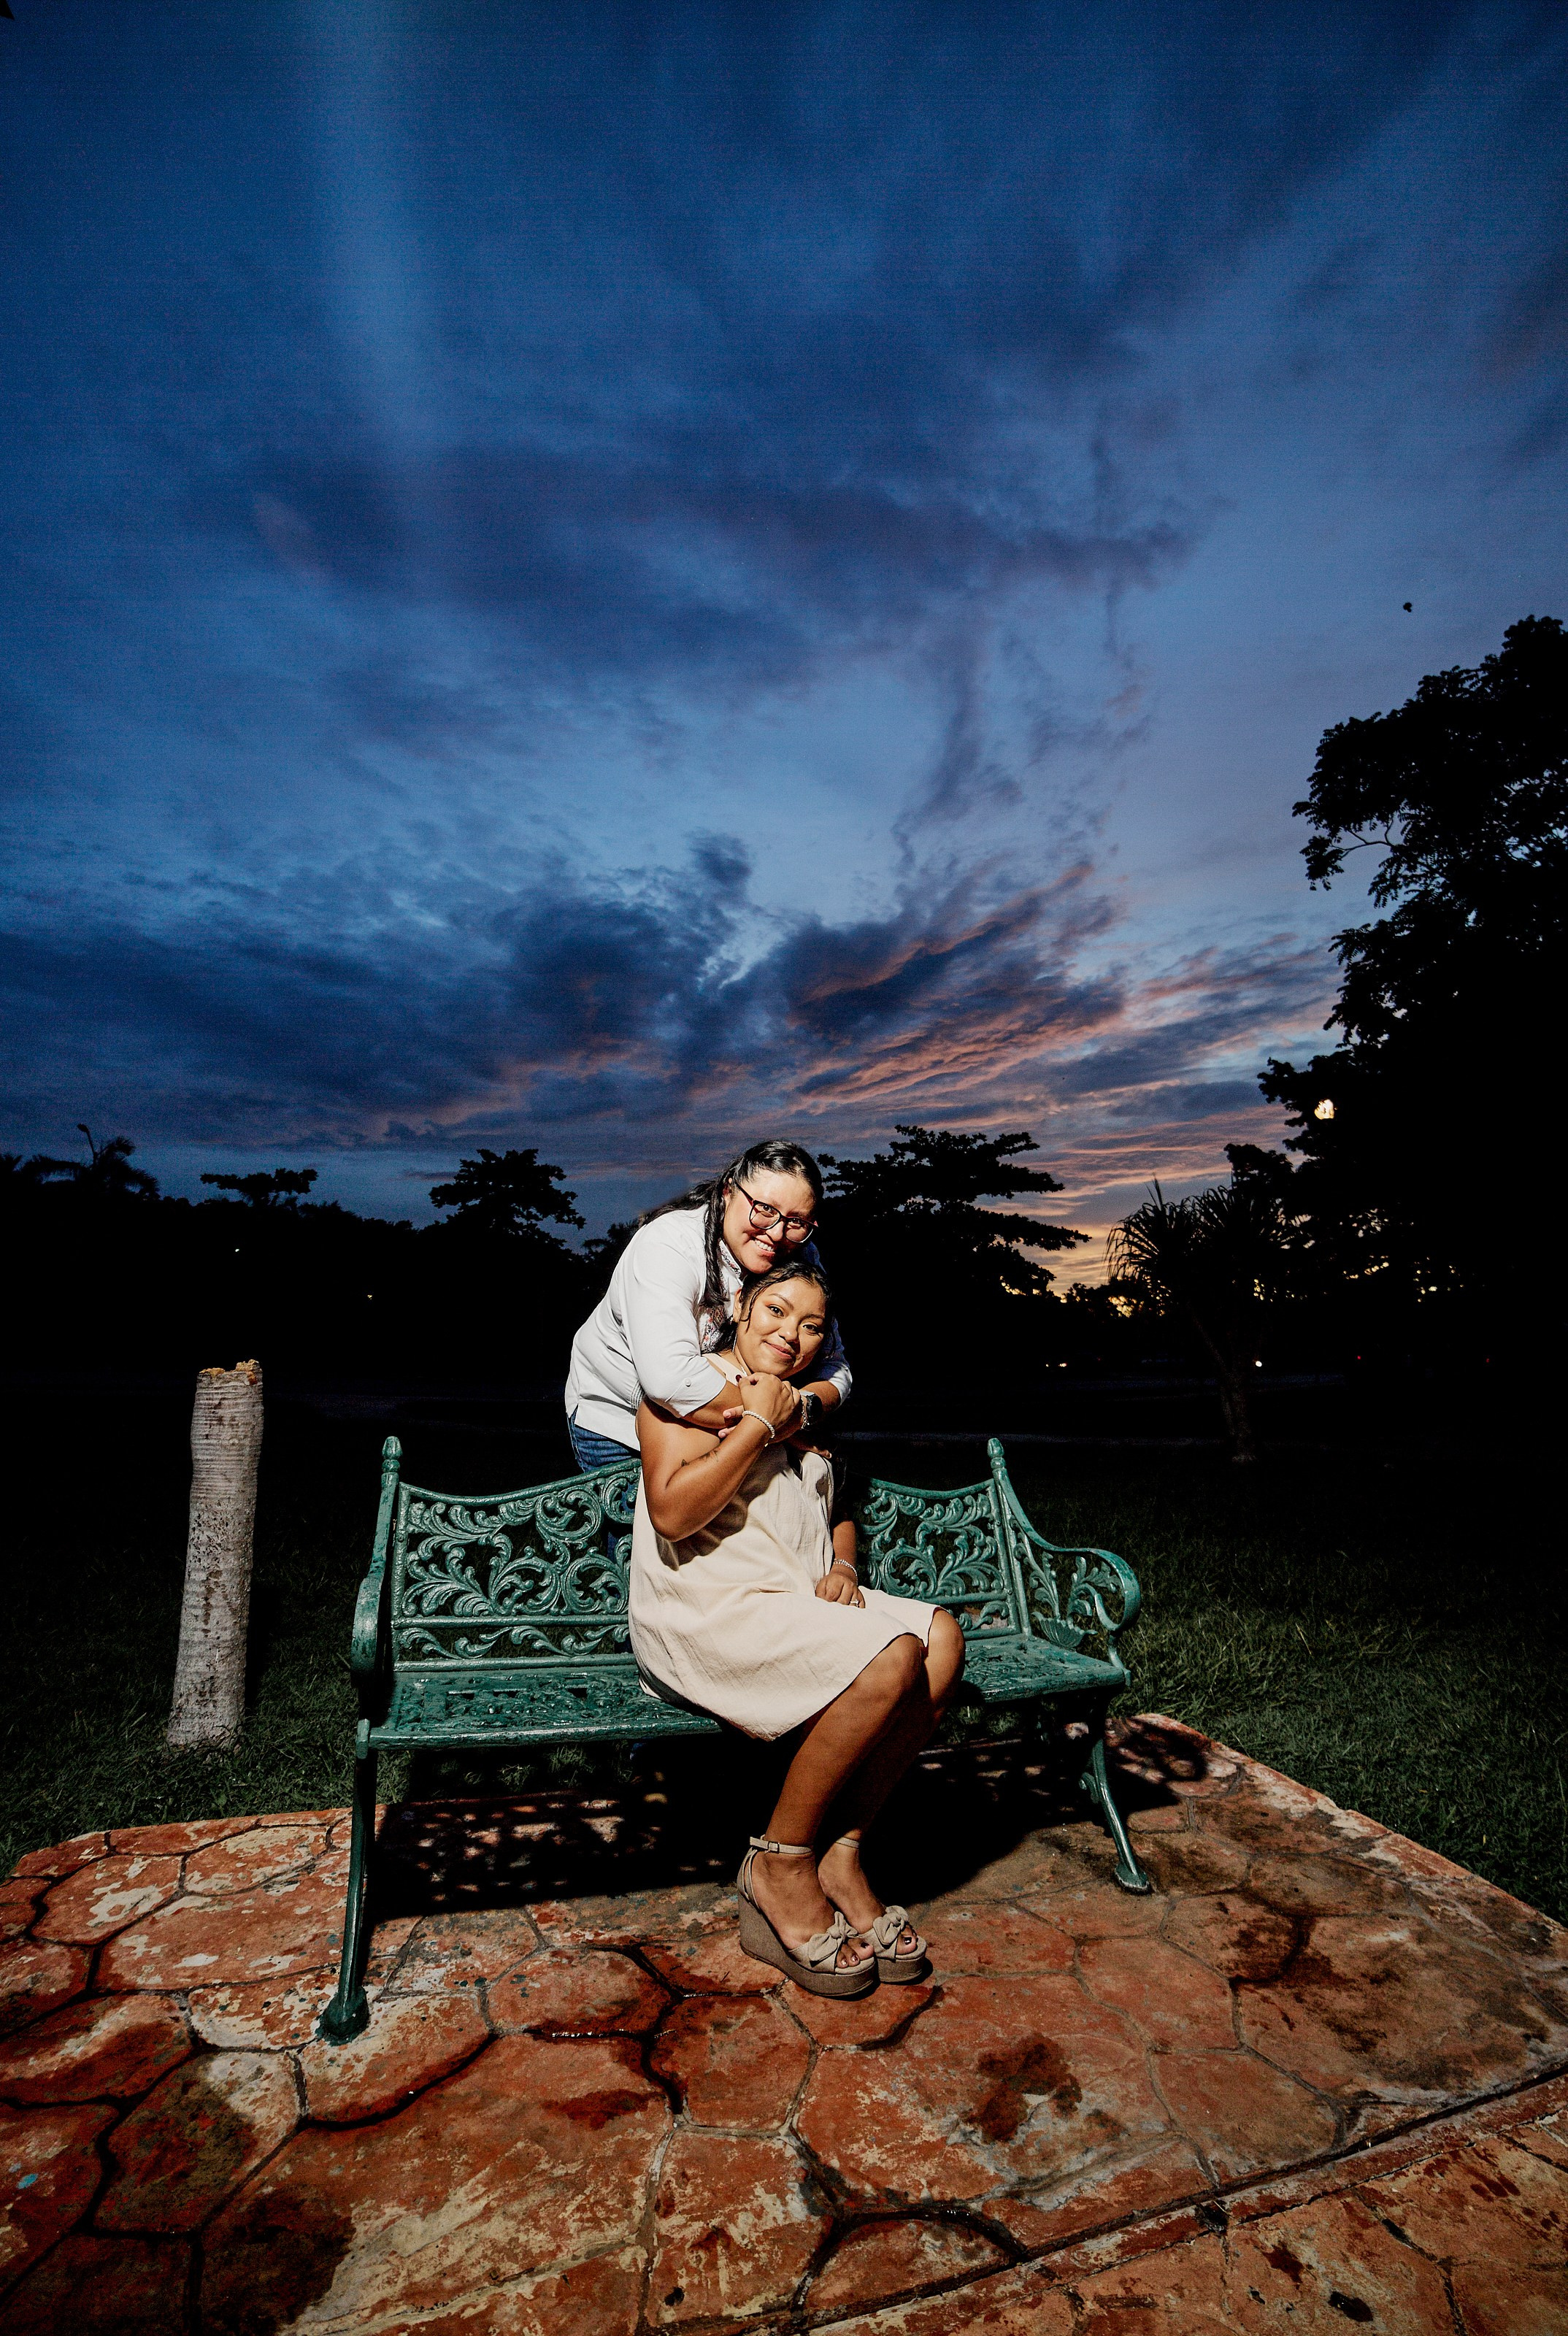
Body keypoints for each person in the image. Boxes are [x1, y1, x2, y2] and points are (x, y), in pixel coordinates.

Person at [630, 1256, 965, 1997]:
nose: (794, 1334)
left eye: (813, 1324)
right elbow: (674, 1513)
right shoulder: (684, 1387)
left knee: (940, 1638)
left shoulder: (809, 1404)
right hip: (705, 1605)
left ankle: (842, 1849)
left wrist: (844, 1564)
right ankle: (779, 1862)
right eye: (777, 1311)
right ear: (741, 1309)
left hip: (796, 1599)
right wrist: (756, 1422)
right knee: (891, 1655)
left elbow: (836, 1503)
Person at [564, 1137, 850, 1469]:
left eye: (796, 1221)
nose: (776, 1233)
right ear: (729, 1191)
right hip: (619, 1425)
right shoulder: (668, 1244)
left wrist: (799, 1413)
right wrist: (774, 1422)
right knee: (656, 1519)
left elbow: (835, 1368)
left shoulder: (802, 1254)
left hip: (720, 1421)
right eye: (765, 1210)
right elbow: (670, 1380)